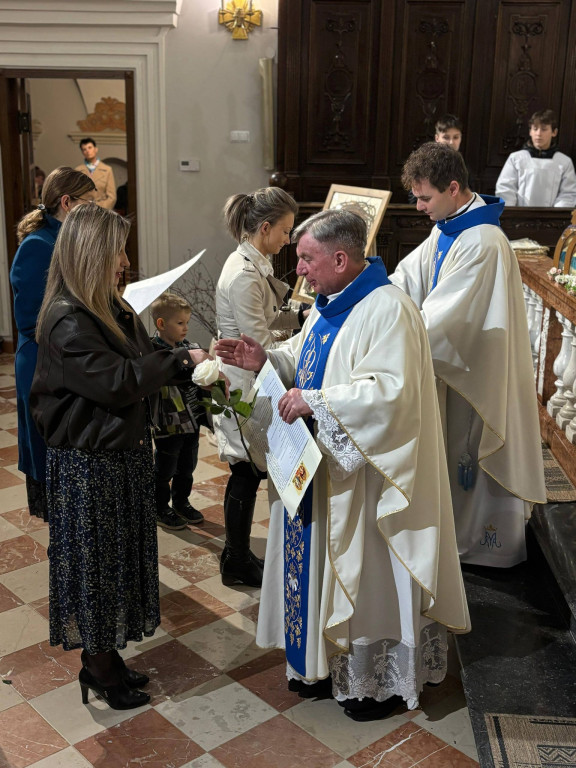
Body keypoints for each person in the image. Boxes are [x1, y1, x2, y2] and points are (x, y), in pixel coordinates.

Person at [215, 209, 470, 721]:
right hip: (320, 471)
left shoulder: (388, 309)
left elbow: (391, 397)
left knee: (363, 573)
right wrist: (267, 359)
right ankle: (322, 665)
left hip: (368, 482)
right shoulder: (332, 302)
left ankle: (374, 683)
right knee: (316, 571)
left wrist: (319, 402)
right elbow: (309, 354)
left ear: (339, 257)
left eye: (307, 259)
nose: (300, 270)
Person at [29, 205, 208, 711]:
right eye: (116, 251)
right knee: (96, 567)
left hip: (119, 455)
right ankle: (99, 666)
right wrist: (177, 361)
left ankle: (106, 657)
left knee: (119, 561)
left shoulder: (108, 306)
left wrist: (183, 363)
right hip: (90, 464)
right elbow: (117, 382)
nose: (125, 260)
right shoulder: (68, 320)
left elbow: (134, 363)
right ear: (91, 255)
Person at [391, 141, 547, 568]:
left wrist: (390, 336)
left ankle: (488, 549)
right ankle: (456, 537)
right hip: (456, 367)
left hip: (476, 373)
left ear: (454, 188)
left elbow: (445, 317)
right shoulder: (448, 227)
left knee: (473, 458)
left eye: (425, 197)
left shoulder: (482, 242)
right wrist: (377, 304)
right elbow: (408, 278)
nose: (418, 206)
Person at [215, 186, 305, 588]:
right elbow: (260, 345)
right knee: (246, 471)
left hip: (251, 380)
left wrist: (303, 317)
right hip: (243, 385)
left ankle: (236, 553)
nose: (289, 239)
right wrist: (302, 345)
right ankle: (234, 558)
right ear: (265, 228)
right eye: (285, 231)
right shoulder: (243, 276)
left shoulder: (254, 263)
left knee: (249, 470)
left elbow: (272, 320)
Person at [9, 166, 96, 522]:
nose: (95, 210)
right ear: (67, 203)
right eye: (89, 203)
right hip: (43, 362)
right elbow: (30, 320)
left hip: (65, 357)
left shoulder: (66, 241)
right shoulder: (37, 246)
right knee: (50, 448)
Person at [150, 292, 209, 531]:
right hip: (167, 423)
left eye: (187, 322)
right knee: (165, 466)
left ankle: (181, 501)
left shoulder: (188, 347)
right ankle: (160, 506)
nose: (185, 328)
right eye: (180, 323)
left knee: (187, 465)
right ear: (161, 324)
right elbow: (173, 371)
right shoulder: (153, 351)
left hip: (191, 419)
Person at [495, 109, 576, 207]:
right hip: (519, 217)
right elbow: (506, 189)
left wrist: (556, 217)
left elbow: (568, 194)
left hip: (552, 219)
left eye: (544, 129)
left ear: (554, 132)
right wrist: (511, 215)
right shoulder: (516, 158)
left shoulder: (564, 162)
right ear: (530, 132)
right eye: (535, 129)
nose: (538, 134)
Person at [75, 137, 116, 209]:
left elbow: (112, 197)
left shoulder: (107, 170)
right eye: (84, 149)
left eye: (90, 147)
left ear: (96, 149)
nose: (87, 151)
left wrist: (100, 209)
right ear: (82, 152)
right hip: (84, 211)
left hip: (102, 211)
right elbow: (75, 195)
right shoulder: (78, 170)